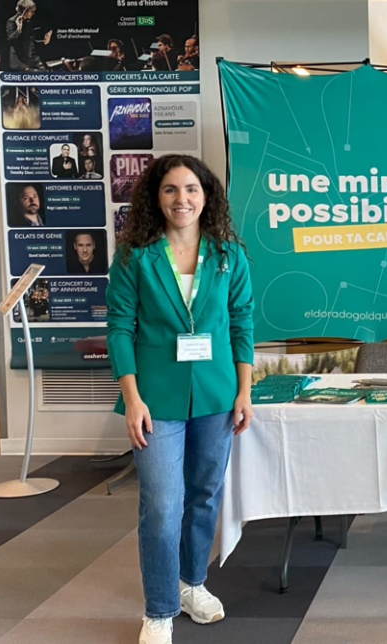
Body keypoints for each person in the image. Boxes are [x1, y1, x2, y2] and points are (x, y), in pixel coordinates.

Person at [106, 154, 254, 644]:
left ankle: (192, 584)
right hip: (154, 398)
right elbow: (120, 328)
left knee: (205, 494)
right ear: (157, 197)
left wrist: (244, 391)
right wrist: (131, 398)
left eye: (191, 188)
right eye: (170, 189)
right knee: (163, 503)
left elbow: (241, 324)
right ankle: (159, 610)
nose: (182, 199)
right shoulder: (135, 257)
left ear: (206, 196)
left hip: (216, 394)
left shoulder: (228, 255)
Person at [5, 0, 52, 71]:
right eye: (31, 11)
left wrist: (48, 35)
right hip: (19, 59)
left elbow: (31, 38)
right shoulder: (12, 21)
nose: (33, 13)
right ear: (24, 11)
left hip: (32, 56)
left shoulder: (29, 21)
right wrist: (18, 29)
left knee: (46, 72)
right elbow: (10, 40)